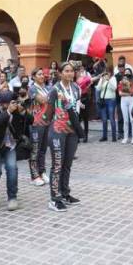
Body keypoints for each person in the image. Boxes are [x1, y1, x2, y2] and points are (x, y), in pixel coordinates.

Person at [46, 62, 82, 212]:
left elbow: (77, 109)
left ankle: (65, 193)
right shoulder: (55, 90)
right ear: (60, 73)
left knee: (67, 164)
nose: (69, 73)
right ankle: (55, 198)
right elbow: (48, 114)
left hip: (72, 131)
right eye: (66, 71)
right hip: (57, 131)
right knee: (57, 164)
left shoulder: (76, 88)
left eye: (71, 71)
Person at [0, 91, 26, 211]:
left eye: (13, 102)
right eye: (8, 103)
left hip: (10, 145)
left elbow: (30, 121)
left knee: (12, 169)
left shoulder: (16, 111)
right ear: (2, 103)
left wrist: (23, 112)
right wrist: (8, 113)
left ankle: (12, 197)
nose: (11, 105)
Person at [28, 68, 51, 187]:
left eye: (43, 74)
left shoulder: (46, 88)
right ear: (33, 77)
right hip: (36, 122)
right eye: (39, 74)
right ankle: (34, 175)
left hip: (46, 122)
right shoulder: (32, 88)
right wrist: (53, 95)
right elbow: (42, 100)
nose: (42, 76)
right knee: (35, 150)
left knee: (43, 149)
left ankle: (42, 172)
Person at [95, 70, 118, 142]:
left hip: (111, 100)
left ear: (110, 73)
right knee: (104, 119)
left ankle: (114, 137)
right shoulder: (102, 79)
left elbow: (114, 88)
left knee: (111, 118)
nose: (106, 74)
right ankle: (104, 136)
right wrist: (101, 81)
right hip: (103, 100)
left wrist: (109, 80)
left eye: (107, 73)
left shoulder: (113, 79)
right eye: (105, 73)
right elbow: (98, 89)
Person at [118, 71, 133, 144]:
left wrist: (129, 85)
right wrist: (129, 93)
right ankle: (126, 137)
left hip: (132, 100)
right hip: (123, 101)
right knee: (125, 120)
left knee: (132, 119)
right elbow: (120, 93)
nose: (127, 74)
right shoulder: (120, 82)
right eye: (125, 73)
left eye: (128, 73)